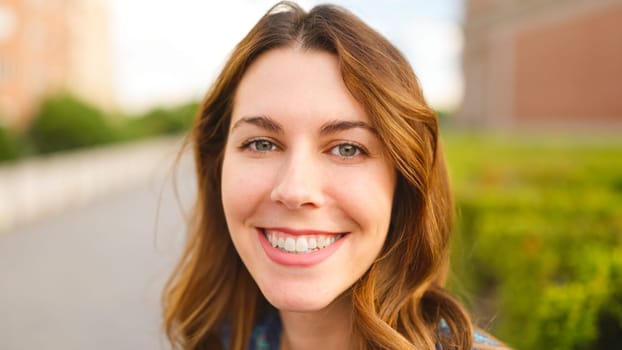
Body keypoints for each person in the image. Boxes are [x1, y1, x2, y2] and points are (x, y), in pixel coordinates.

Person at [163, 2, 508, 349]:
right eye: (262, 144)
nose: (295, 190)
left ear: (404, 182)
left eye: (347, 149)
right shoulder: (220, 340)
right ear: (218, 166)